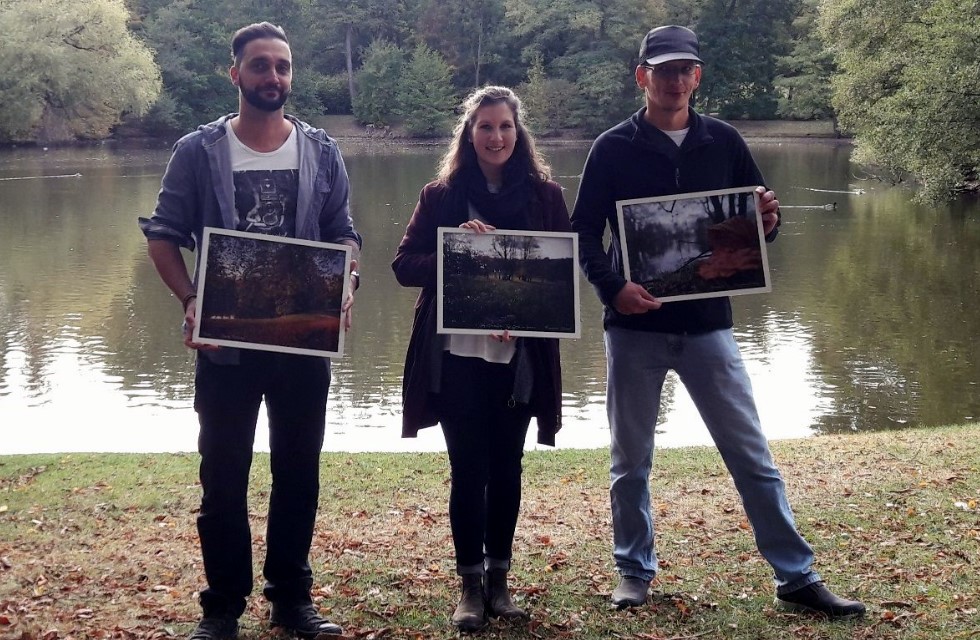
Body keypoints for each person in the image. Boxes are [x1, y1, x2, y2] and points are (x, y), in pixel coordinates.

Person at [570, 25, 866, 619]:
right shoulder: (611, 148)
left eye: (685, 69)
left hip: (710, 327)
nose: (674, 80)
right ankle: (633, 570)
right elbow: (584, 235)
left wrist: (770, 220)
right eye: (663, 70)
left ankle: (795, 576)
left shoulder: (725, 141)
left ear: (697, 76)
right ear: (642, 77)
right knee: (630, 462)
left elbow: (756, 227)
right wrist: (613, 287)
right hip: (634, 330)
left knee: (751, 453)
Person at [137, 22, 361, 640]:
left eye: (283, 67)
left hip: (303, 348)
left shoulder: (321, 150)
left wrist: (346, 282)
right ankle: (222, 609)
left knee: (298, 473)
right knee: (223, 475)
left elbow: (345, 233)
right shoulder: (197, 151)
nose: (273, 78)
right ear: (234, 73)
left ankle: (292, 600)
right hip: (225, 348)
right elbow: (162, 236)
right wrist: (190, 300)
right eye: (260, 66)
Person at [391, 86, 568, 632]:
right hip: (456, 357)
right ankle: (469, 585)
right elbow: (403, 266)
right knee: (467, 470)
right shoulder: (441, 195)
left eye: (505, 127)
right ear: (469, 135)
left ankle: (499, 582)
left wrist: (530, 301)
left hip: (518, 356)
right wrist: (454, 251)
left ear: (520, 134)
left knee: (507, 468)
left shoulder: (545, 196)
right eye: (485, 127)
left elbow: (561, 273)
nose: (496, 137)